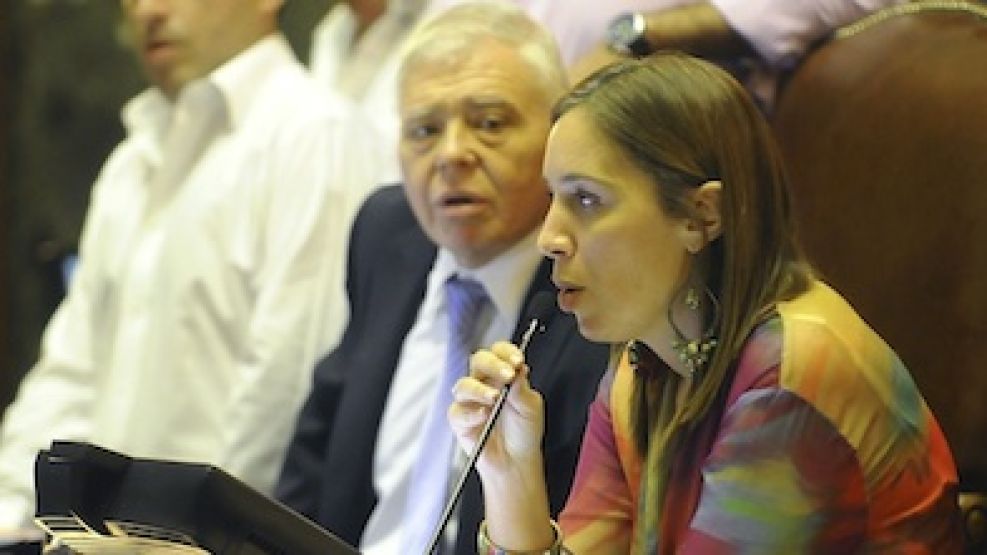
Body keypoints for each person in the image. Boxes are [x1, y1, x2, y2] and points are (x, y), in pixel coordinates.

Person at [452, 53, 963, 553]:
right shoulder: (642, 366)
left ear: (701, 215)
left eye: (586, 199)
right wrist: (509, 476)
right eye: (552, 199)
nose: (549, 238)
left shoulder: (791, 375)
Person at [0, 0, 379, 537]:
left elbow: (286, 390)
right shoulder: (133, 160)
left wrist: (193, 538)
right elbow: (73, 371)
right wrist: (12, 511)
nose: (148, 11)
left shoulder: (315, 136)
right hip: (105, 543)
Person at [275, 4, 609, 554]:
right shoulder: (388, 236)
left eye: (490, 123)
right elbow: (312, 467)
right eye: (424, 130)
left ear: (556, 139)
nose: (452, 154)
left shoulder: (595, 285)